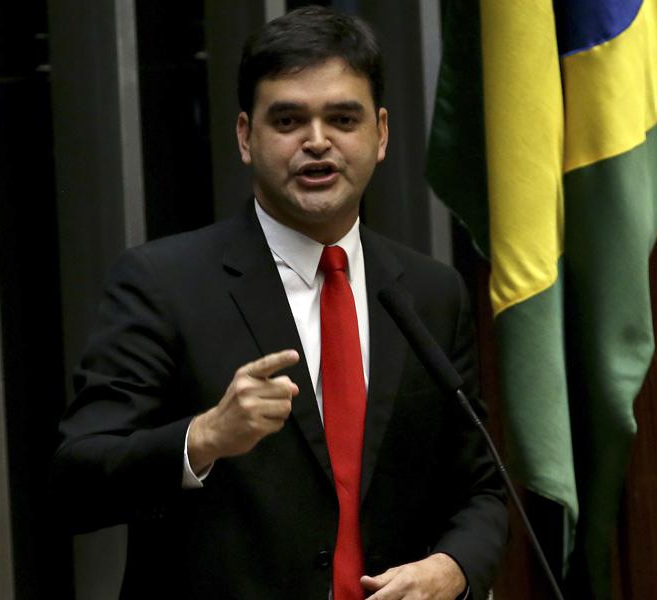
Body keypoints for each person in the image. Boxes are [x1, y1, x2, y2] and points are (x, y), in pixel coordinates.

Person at [53, 7, 507, 599]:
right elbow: (77, 480)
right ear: (246, 137)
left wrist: (454, 568)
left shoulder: (430, 292)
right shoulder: (163, 283)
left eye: (343, 118)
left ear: (382, 133)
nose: (317, 142)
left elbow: (482, 488)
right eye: (289, 119)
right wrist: (204, 436)